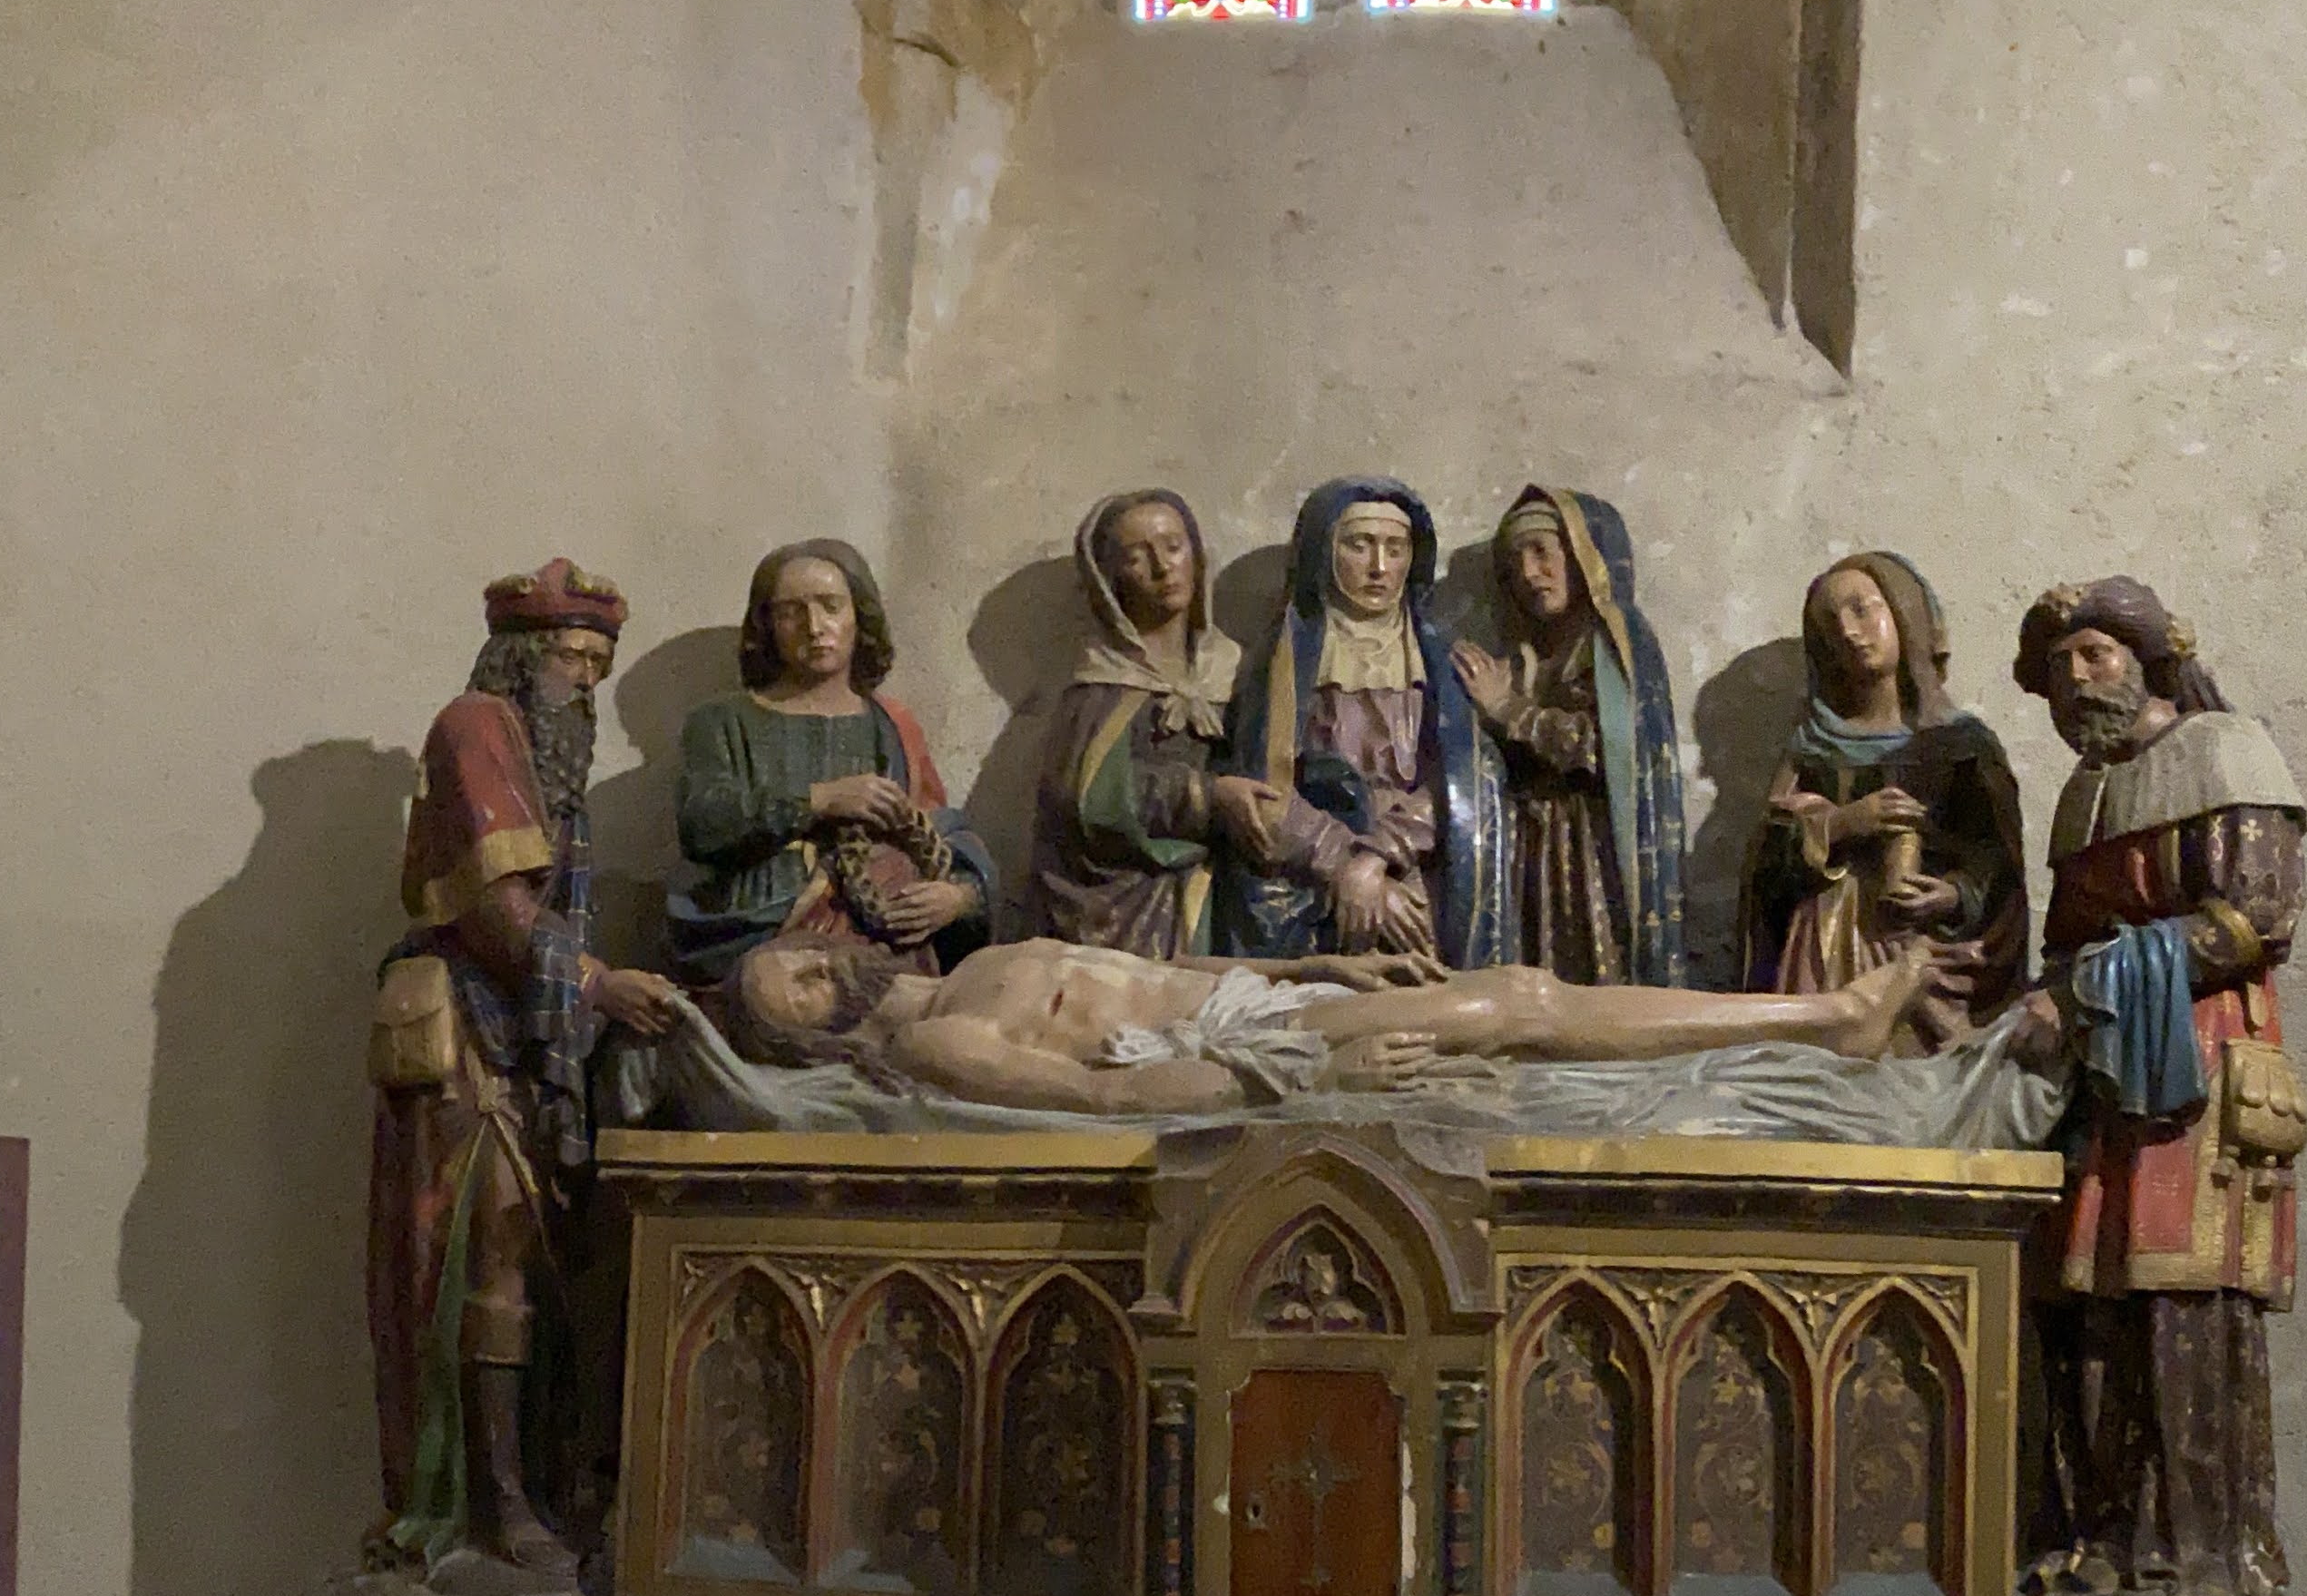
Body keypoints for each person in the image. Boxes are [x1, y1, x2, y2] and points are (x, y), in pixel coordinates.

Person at [367, 558, 686, 1572]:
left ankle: (539, 1482)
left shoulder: (555, 768)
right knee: (492, 1249)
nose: (584, 683)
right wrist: (597, 985)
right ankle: (490, 1503)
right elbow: (498, 914)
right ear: (517, 657)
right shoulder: (475, 728)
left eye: (597, 665)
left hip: (537, 1036)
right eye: (568, 657)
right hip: (475, 1031)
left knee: (540, 1259)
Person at [2013, 575, 2307, 1596]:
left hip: (2200, 1062)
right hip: (2102, 1073)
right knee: (2092, 1298)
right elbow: (2063, 937)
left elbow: (2256, 918)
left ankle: (2202, 1555)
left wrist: (2094, 981)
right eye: (2059, 666)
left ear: (2147, 660)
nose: (2076, 678)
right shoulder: (2086, 790)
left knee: (2185, 1297)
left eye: (2094, 654)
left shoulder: (2227, 753)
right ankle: (2106, 1540)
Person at [740, 942, 1931, 1117]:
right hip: (1251, 1052)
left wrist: (1310, 967)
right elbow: (1110, 1098)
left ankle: (1830, 1020)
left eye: (798, 950)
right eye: (789, 987)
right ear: (804, 1043)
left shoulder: (979, 961)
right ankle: (1832, 1019)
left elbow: (1164, 970)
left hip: (1255, 1005)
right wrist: (1317, 1074)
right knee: (1516, 1008)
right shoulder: (937, 1044)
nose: (812, 963)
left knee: (1518, 993)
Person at [1027, 489, 1395, 958]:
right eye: (1138, 557)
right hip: (1120, 902)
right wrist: (1209, 796)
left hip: (1226, 880)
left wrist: (1350, 852)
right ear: (1109, 579)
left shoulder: (1235, 669)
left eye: (1174, 547)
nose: (1163, 568)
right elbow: (1084, 796)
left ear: (1198, 557)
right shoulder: (1102, 682)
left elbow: (1279, 773)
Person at [668, 540, 994, 1056]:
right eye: (791, 612)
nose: (814, 626)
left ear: (859, 617)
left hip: (884, 951)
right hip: (766, 948)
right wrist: (819, 799)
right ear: (767, 626)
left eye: (830, 606)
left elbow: (940, 832)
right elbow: (703, 823)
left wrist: (957, 897)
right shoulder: (723, 722)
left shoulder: (893, 725)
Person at [1739, 553, 2028, 1049]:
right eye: (1830, 623)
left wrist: (1953, 894)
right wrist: (1840, 824)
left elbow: (1998, 862)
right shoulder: (1814, 746)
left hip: (1927, 953)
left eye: (1862, 609)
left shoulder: (1962, 744)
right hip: (1823, 952)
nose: (1849, 632)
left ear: (1904, 613)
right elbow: (1764, 869)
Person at [1224, 478, 1479, 963]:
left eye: (1395, 549)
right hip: (1310, 871)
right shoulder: (1284, 659)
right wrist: (1344, 864)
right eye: (1359, 546)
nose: (1379, 568)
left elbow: (1462, 777)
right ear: (1325, 552)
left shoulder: (1440, 660)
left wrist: (1379, 857)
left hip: (1418, 865)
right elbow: (1263, 788)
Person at [1456, 486, 1690, 985]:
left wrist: (1508, 710)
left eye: (1542, 552)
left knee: (1598, 983)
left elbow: (1610, 750)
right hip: (1531, 848)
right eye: (1515, 562)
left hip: (1595, 848)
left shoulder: (1615, 646)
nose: (1529, 573)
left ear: (1584, 556)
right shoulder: (1526, 658)